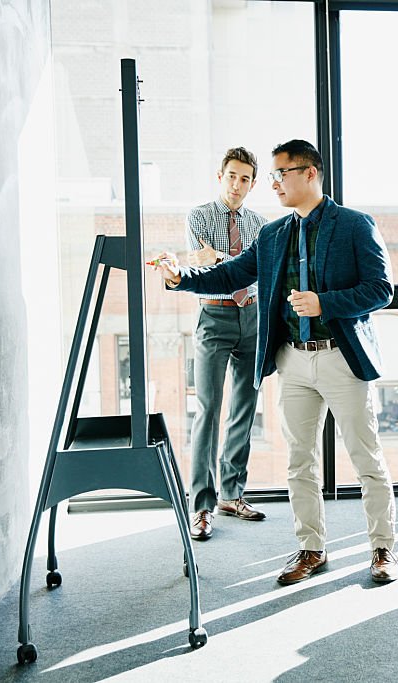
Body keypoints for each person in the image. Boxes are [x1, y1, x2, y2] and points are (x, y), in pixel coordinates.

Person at [151, 140, 398, 585]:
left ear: (309, 174)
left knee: (366, 458)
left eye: (281, 174)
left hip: (342, 359)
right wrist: (180, 276)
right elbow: (230, 274)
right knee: (300, 461)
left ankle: (382, 549)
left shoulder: (356, 226)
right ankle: (310, 549)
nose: (273, 183)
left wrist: (325, 303)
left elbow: (382, 290)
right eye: (272, 175)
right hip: (293, 362)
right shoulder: (272, 234)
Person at [182, 146, 266, 542]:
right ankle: (202, 505)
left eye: (245, 178)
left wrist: (222, 257)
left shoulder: (262, 225)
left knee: (245, 409)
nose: (237, 184)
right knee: (208, 409)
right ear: (220, 177)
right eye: (231, 175)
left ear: (253, 183)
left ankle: (232, 494)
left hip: (251, 315)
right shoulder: (199, 215)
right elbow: (202, 262)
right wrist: (227, 260)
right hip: (214, 316)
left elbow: (254, 269)